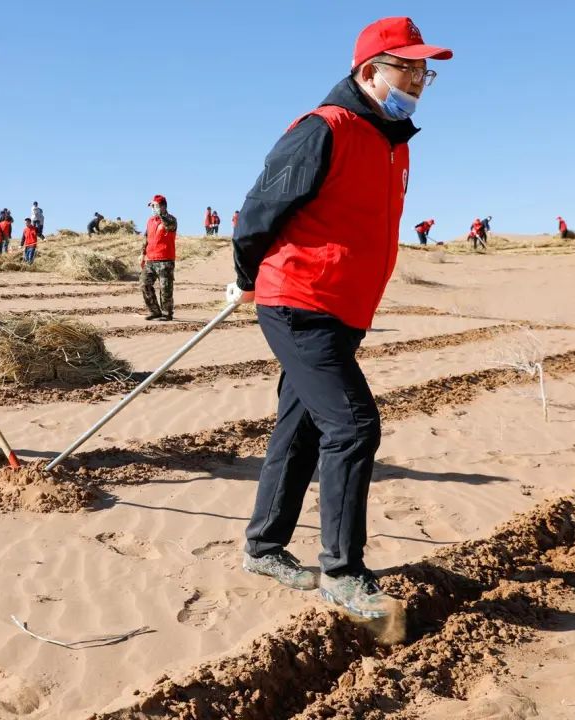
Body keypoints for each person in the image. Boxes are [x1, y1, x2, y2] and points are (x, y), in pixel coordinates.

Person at [226, 17, 452, 618]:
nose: (419, 79)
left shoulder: (392, 142)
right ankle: (343, 572)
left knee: (300, 426)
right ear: (369, 70)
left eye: (425, 70)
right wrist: (249, 278)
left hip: (344, 309)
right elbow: (258, 210)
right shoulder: (324, 129)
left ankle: (264, 546)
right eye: (408, 67)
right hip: (299, 302)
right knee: (354, 426)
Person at [141, 194, 178, 321]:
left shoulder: (171, 219)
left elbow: (169, 226)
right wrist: (142, 254)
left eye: (155, 206)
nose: (152, 208)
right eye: (151, 206)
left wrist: (162, 215)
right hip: (150, 260)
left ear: (162, 207)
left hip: (165, 260)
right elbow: (146, 238)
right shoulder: (150, 221)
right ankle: (154, 311)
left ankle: (167, 313)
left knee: (165, 287)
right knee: (144, 284)